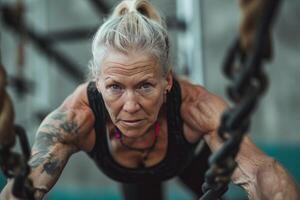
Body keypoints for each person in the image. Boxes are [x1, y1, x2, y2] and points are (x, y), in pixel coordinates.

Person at [1, 0, 300, 199]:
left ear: (167, 81)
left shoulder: (194, 107)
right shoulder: (76, 119)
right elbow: (25, 185)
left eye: (145, 86)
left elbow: (262, 170)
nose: (131, 106)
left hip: (186, 161)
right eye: (115, 87)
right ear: (96, 83)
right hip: (132, 178)